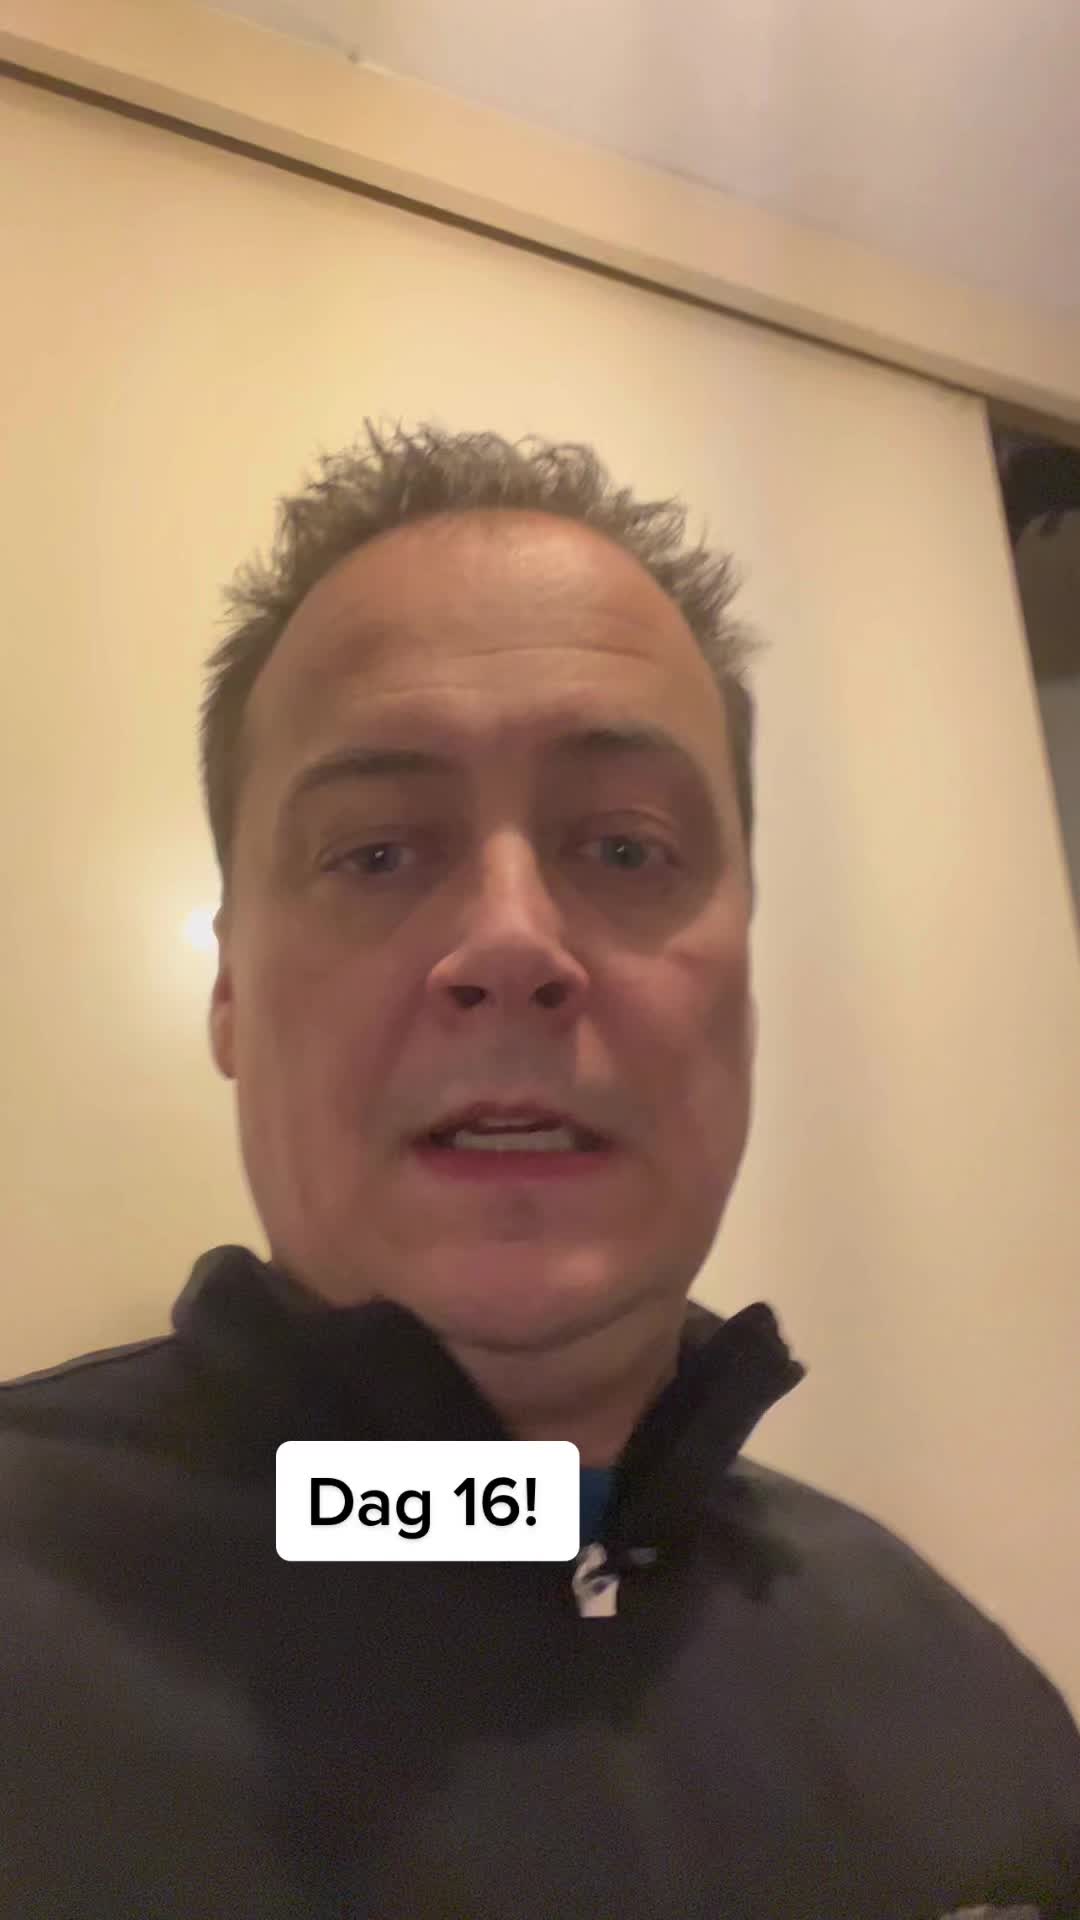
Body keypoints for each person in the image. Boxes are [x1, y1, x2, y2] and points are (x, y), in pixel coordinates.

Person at [1, 421, 1077, 1920]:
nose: (511, 943)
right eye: (377, 853)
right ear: (230, 990)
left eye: (626, 849)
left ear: (743, 976)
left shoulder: (970, 1712)